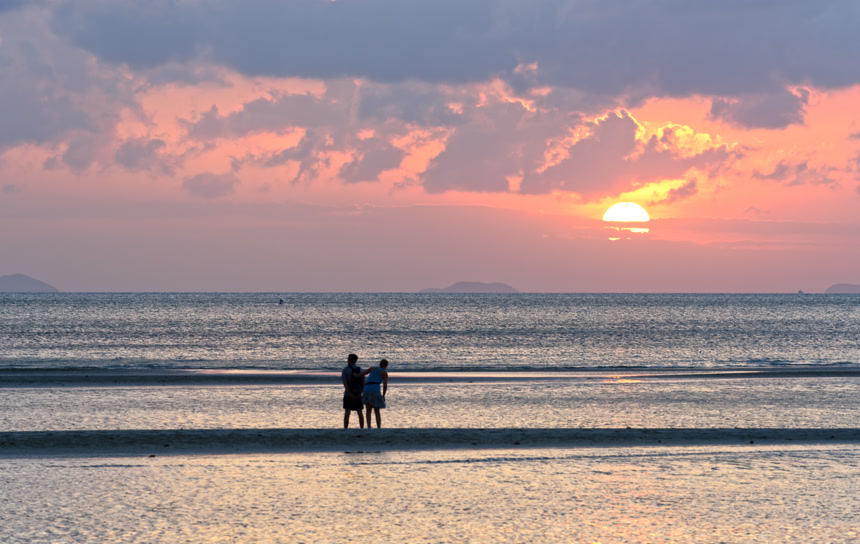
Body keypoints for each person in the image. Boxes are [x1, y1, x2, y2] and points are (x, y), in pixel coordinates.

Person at [360, 359, 389, 428]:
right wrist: (383, 395)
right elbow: (385, 386)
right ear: (386, 366)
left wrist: (354, 375)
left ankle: (369, 427)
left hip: (367, 388)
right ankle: (378, 427)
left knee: (368, 410)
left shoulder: (372, 368)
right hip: (375, 389)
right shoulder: (384, 373)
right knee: (376, 411)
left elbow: (362, 374)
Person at [341, 353, 365, 428]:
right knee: (360, 412)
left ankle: (345, 429)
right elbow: (363, 383)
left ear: (350, 361)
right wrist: (360, 393)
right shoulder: (360, 370)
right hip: (358, 393)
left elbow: (345, 383)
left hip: (348, 394)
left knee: (347, 413)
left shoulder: (345, 370)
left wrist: (350, 393)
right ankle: (362, 428)